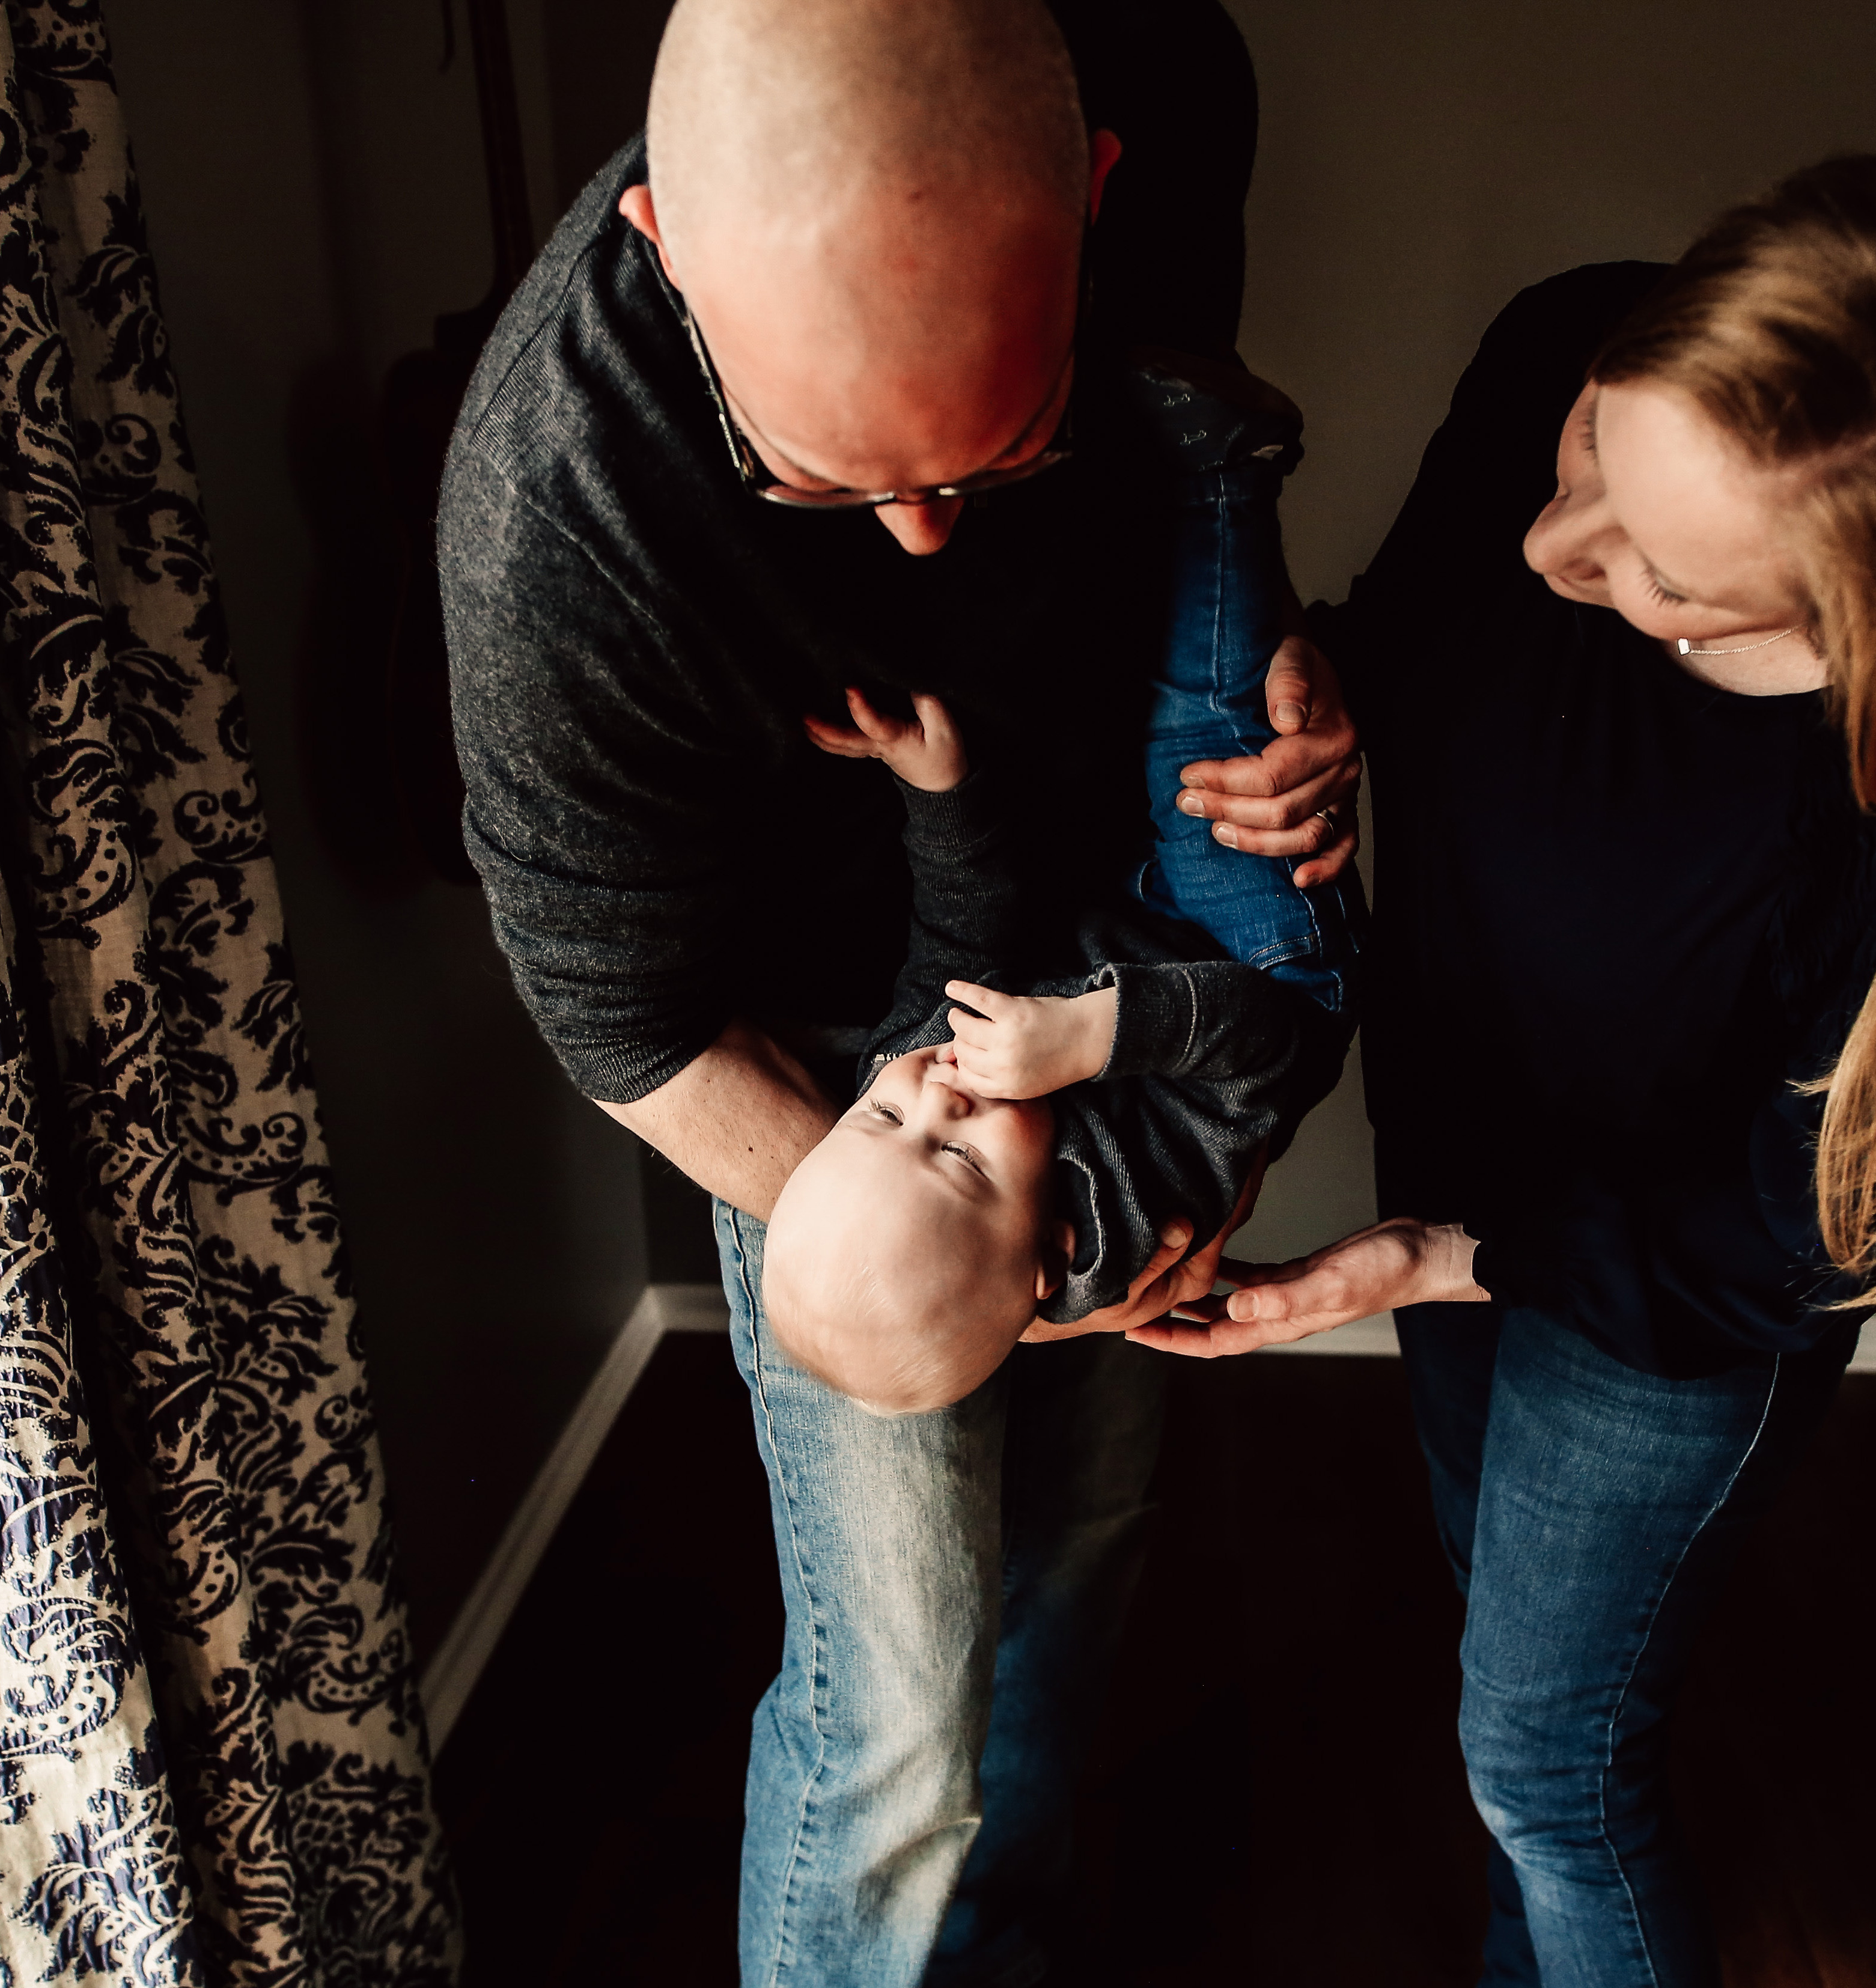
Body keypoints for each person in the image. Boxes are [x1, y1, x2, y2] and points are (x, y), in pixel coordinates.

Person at [1141, 151, 1876, 1984]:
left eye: (1659, 580)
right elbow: (1426, 612)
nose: (1552, 548)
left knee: (1550, 1768)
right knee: (1500, 1634)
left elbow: (1794, 1236)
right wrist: (1333, 698)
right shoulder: (1566, 335)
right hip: (1461, 1159)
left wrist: (1447, 1255)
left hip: (1675, 1292)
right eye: (1590, 444)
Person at [437, 1, 1363, 1980]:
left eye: (1001, 443)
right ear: (670, 247)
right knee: (901, 1718)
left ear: (1097, 189)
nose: (925, 536)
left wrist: (1284, 689)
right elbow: (627, 1022)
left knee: (1080, 1562)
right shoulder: (556, 509)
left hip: (1071, 916)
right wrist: (939, 1232)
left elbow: (1183, 502)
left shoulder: (1165, 81)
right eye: (817, 472)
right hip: (819, 1098)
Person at [764, 669, 1354, 1414]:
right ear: (1052, 1247)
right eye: (960, 1156)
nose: (936, 1094)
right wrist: (1090, 1036)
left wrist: (939, 793)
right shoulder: (1131, 1206)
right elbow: (1260, 1035)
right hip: (1255, 958)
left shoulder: (904, 1066)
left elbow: (957, 935)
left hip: (1120, 899)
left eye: (882, 1115)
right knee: (1206, 698)